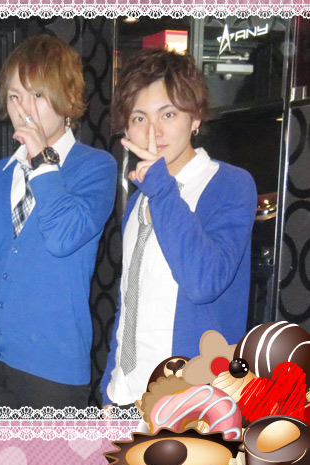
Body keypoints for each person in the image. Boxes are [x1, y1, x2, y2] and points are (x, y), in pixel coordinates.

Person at [0, 35, 118, 409]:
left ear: (66, 98)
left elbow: (63, 237)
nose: (24, 109)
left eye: (37, 95)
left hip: (54, 368)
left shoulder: (96, 168)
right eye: (15, 96)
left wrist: (41, 161)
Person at [100, 48, 257, 408]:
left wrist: (161, 189)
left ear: (195, 117)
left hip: (193, 402)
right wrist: (111, 386)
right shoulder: (138, 201)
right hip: (128, 396)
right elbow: (130, 300)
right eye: (139, 118)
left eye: (167, 114)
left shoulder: (229, 185)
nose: (152, 131)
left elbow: (203, 282)